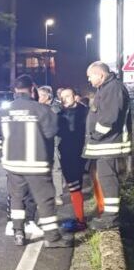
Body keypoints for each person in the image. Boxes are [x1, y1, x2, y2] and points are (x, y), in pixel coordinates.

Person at [0, 75, 71, 247]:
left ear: (15, 91)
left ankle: (19, 233)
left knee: (17, 198)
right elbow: (51, 131)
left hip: (12, 165)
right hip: (36, 164)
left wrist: (1, 156)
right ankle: (52, 238)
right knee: (45, 199)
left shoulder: (4, 111)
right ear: (32, 89)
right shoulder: (40, 109)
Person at [84, 61, 132, 230]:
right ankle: (110, 214)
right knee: (106, 178)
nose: (89, 80)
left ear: (101, 75)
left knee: (108, 178)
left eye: (90, 76)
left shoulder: (112, 88)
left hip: (109, 144)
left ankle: (111, 217)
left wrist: (94, 135)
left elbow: (109, 118)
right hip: (106, 143)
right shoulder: (107, 88)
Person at [57, 87, 88, 232]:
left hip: (83, 154)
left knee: (76, 187)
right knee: (74, 187)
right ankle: (80, 219)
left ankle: (81, 220)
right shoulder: (60, 114)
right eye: (62, 97)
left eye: (67, 96)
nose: (64, 99)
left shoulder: (85, 112)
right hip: (67, 155)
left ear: (75, 97)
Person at [38, 86, 64, 205]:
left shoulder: (56, 107)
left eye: (40, 95)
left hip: (53, 143)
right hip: (41, 143)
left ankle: (57, 195)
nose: (38, 98)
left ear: (47, 96)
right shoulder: (39, 107)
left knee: (56, 169)